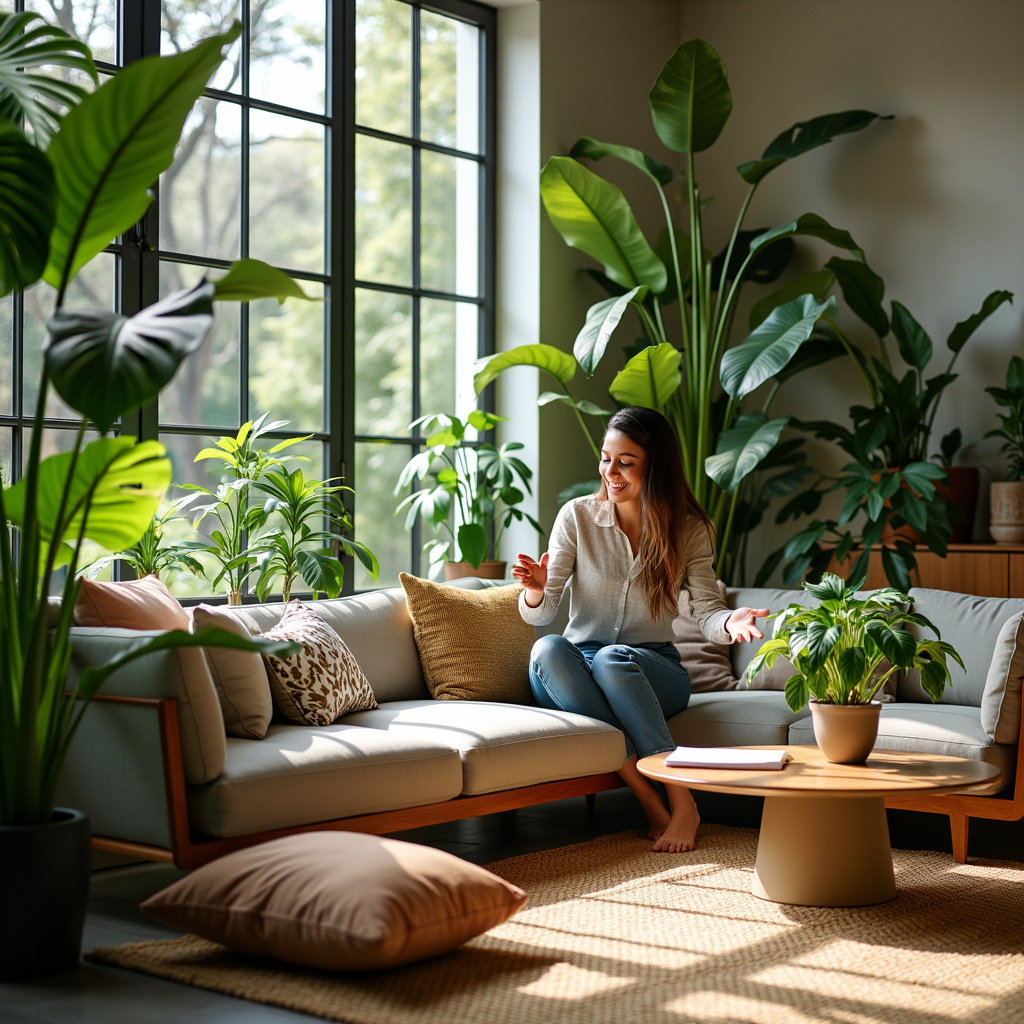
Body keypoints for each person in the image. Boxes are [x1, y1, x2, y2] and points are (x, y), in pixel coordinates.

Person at [513, 406, 768, 853]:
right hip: (576, 671)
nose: (610, 472)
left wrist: (729, 621)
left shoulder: (688, 529)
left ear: (655, 468)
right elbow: (542, 611)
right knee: (547, 650)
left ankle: (680, 799)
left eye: (625, 462)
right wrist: (535, 590)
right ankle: (652, 798)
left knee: (614, 660)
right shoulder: (577, 517)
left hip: (653, 669)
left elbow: (707, 612)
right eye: (605, 458)